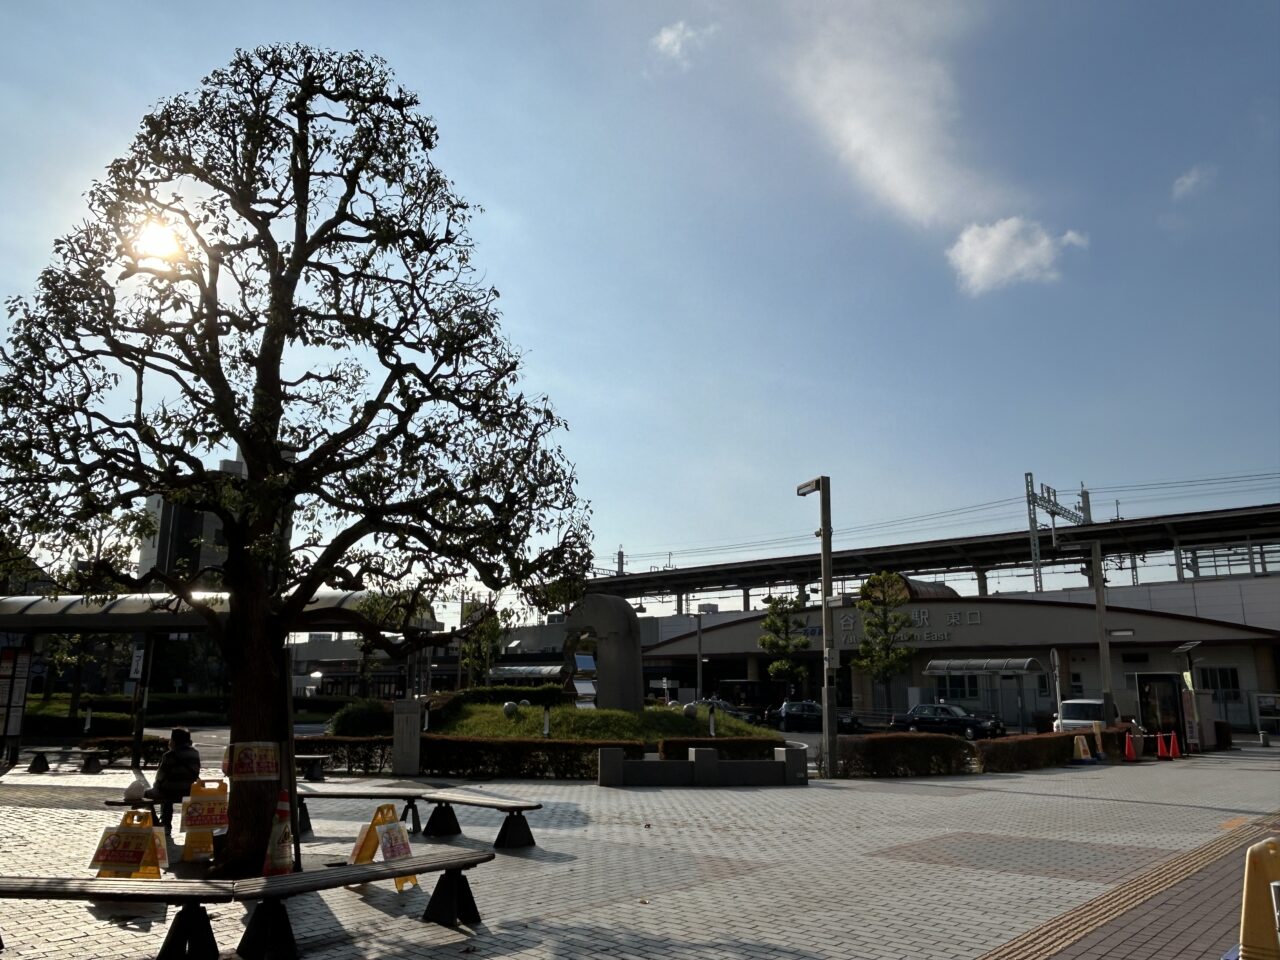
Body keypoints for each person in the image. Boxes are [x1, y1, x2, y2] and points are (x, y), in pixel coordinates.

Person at [144, 727, 202, 833]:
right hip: (189, 791)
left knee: (148, 794)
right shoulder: (195, 753)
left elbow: (160, 777)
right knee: (166, 790)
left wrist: (156, 787)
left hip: (169, 791)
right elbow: (197, 772)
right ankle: (166, 824)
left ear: (173, 741)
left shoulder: (169, 755)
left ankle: (163, 824)